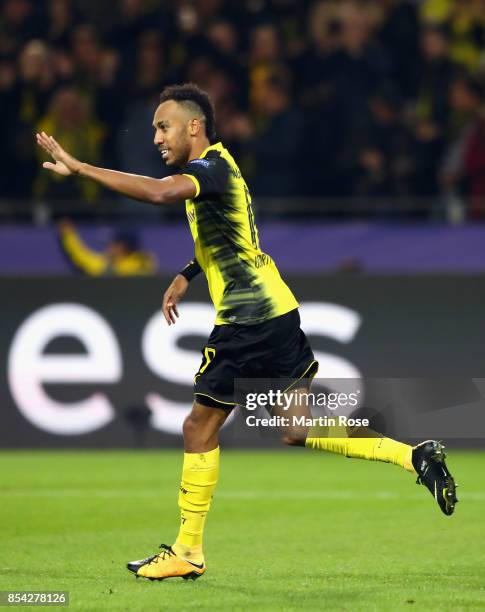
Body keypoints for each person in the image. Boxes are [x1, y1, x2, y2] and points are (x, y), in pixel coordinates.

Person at [36, 82, 457, 582]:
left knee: (198, 428)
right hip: (278, 313)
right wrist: (187, 274)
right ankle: (415, 457)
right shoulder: (216, 169)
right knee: (295, 428)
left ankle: (188, 551)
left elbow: (156, 193)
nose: (156, 138)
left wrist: (81, 168)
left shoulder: (207, 169)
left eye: (163, 126)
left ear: (194, 126)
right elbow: (230, 237)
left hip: (246, 321)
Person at [58, 219, 157, 276]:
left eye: (113, 244)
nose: (108, 247)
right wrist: (69, 234)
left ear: (123, 247)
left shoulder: (112, 266)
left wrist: (68, 235)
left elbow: (83, 258)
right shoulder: (143, 261)